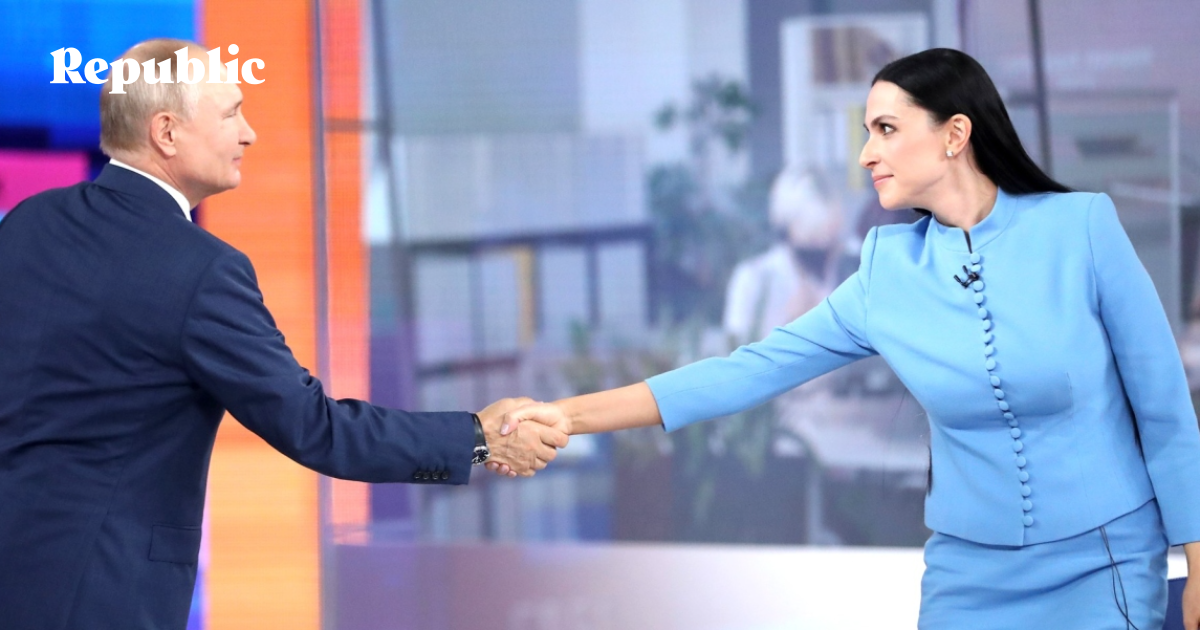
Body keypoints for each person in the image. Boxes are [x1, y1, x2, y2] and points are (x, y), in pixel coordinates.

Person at [497, 48, 1200, 629]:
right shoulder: (884, 273)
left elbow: (1166, 411)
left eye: (886, 129)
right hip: (969, 575)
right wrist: (567, 416)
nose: (867, 154)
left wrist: (1199, 566)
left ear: (955, 134)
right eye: (867, 132)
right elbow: (745, 370)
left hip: (1101, 561)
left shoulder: (1081, 229)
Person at [0, 39, 564, 630]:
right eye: (230, 114)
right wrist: (476, 438)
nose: (249, 134)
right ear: (166, 132)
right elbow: (316, 429)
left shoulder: (30, 221)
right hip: (101, 595)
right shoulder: (201, 269)